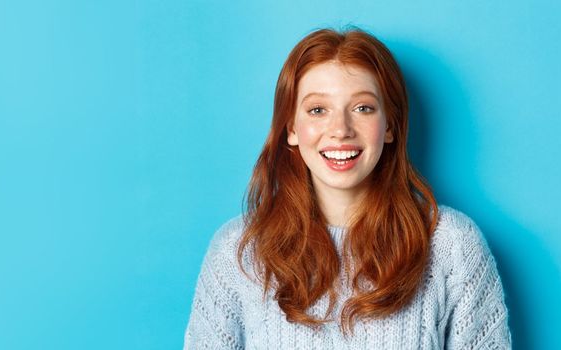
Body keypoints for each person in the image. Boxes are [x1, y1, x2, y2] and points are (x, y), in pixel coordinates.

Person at [183, 28, 511, 349]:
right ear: (291, 129)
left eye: (362, 108)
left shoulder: (451, 245)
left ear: (390, 126)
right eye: (317, 110)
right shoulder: (238, 251)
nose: (340, 130)